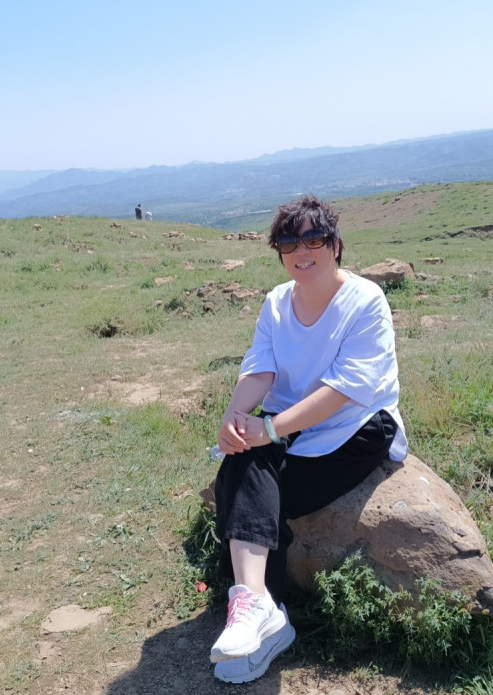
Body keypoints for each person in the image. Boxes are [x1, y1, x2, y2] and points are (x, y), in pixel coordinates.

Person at [209, 195, 408, 683]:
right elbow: (260, 368)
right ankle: (258, 608)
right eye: (288, 242)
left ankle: (262, 612)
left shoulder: (365, 301)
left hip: (358, 427)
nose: (302, 251)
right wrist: (236, 417)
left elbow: (345, 389)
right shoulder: (277, 303)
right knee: (241, 461)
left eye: (314, 238)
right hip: (292, 425)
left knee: (254, 491)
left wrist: (270, 429)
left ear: (335, 245)